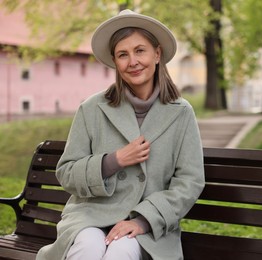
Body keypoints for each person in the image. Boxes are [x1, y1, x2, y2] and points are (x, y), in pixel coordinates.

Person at [36, 9, 205, 260]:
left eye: (140, 51)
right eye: (122, 55)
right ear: (115, 62)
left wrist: (143, 222)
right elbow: (67, 172)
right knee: (87, 249)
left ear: (157, 54)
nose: (133, 62)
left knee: (121, 251)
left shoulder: (181, 113)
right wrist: (113, 161)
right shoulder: (92, 108)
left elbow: (189, 182)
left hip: (147, 225)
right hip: (90, 216)